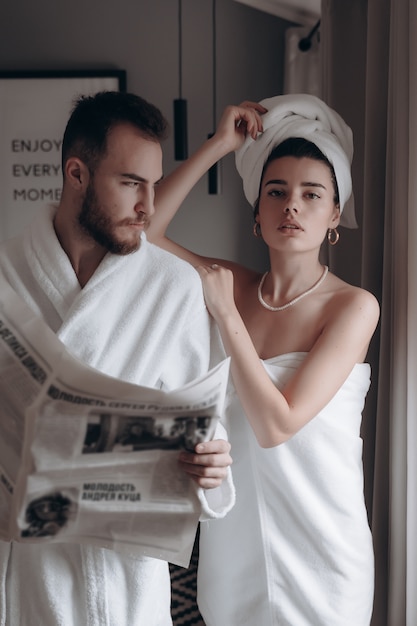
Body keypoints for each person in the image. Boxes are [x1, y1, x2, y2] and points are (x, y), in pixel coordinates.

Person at [0, 91, 234, 626]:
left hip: (122, 582)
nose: (149, 207)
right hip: (25, 576)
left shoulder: (172, 286)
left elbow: (205, 420)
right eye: (131, 184)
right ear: (76, 173)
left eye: (154, 184)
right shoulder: (6, 271)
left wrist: (216, 463)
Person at [148, 94, 380, 625]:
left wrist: (226, 316)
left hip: (322, 553)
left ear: (334, 214)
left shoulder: (352, 306)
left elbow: (278, 424)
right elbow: (143, 234)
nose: (291, 206)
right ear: (257, 211)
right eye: (276, 192)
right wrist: (217, 145)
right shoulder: (236, 284)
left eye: (311, 194)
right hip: (236, 551)